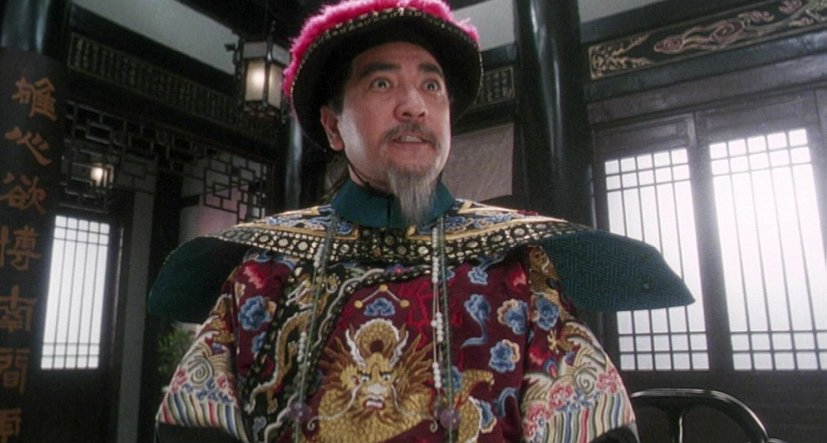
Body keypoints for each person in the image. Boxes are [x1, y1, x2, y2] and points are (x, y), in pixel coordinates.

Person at [148, 0, 693, 442]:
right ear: (333, 126)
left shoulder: (516, 268)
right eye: (382, 84)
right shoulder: (265, 271)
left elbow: (591, 425)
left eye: (431, 86)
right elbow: (196, 426)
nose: (414, 106)